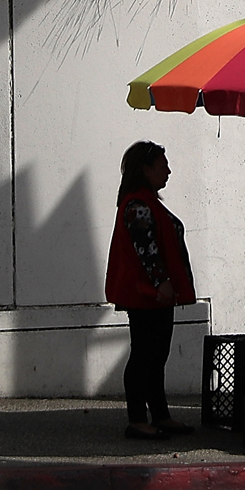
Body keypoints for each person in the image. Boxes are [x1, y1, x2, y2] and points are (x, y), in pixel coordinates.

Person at [106, 141, 198, 440]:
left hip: (156, 295)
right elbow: (147, 250)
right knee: (145, 355)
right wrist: (162, 282)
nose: (168, 171)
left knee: (156, 355)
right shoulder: (138, 205)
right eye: (162, 166)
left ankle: (159, 414)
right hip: (146, 295)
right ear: (145, 171)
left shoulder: (145, 203)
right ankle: (137, 419)